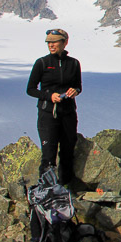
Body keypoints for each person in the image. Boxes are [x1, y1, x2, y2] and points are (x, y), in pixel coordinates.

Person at [26, 28, 82, 185]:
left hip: (68, 113)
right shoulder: (42, 63)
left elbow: (78, 86)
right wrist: (49, 96)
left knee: (67, 151)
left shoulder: (74, 64)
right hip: (48, 114)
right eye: (48, 42)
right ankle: (47, 188)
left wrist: (74, 91)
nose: (51, 45)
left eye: (54, 42)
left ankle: (66, 187)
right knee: (49, 154)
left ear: (65, 42)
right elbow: (30, 89)